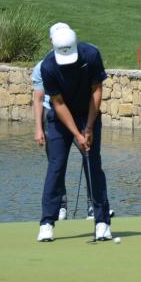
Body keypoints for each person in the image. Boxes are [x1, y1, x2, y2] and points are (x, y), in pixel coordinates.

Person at [36, 25, 112, 242]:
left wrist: (88, 128)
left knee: (93, 165)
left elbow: (97, 90)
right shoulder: (48, 66)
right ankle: (47, 223)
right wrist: (77, 135)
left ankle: (102, 222)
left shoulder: (91, 55)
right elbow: (58, 103)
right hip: (60, 120)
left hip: (88, 113)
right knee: (56, 167)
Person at [31, 23, 94, 222]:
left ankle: (93, 206)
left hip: (77, 114)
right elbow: (38, 99)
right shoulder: (43, 67)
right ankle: (60, 207)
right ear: (51, 40)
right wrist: (39, 129)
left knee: (89, 155)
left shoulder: (81, 61)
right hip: (54, 117)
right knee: (56, 164)